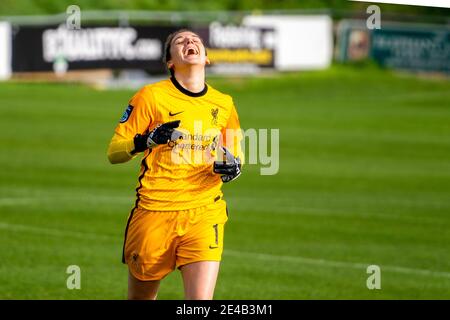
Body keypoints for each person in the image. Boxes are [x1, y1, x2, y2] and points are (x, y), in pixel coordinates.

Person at [107, 29, 243, 300]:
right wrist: (147, 140)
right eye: (180, 41)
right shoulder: (150, 96)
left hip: (205, 212)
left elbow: (234, 154)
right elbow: (114, 152)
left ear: (206, 57)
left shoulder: (224, 103)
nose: (190, 42)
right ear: (170, 62)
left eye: (196, 40)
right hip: (155, 212)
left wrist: (233, 167)